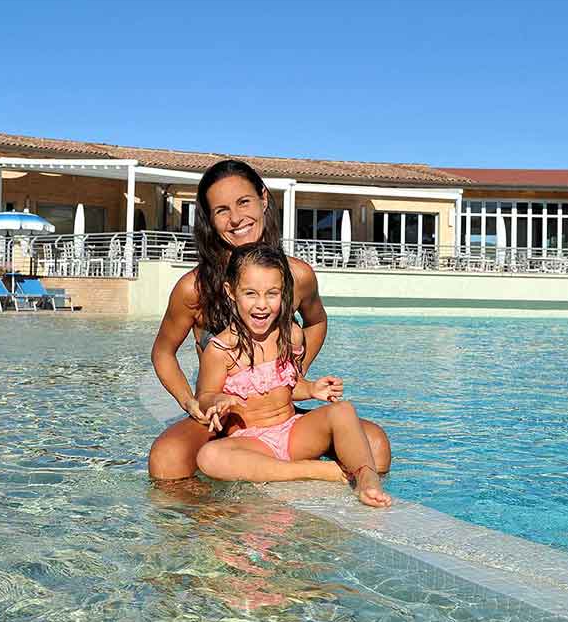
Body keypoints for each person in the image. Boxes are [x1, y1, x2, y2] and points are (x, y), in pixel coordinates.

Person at [149, 159, 391, 480]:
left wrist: (293, 378)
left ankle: (357, 495)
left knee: (376, 445)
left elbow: (316, 322)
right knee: (166, 459)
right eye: (222, 210)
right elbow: (163, 352)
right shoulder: (195, 288)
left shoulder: (297, 275)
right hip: (221, 416)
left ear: (263, 199)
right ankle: (214, 511)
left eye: (243, 202)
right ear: (209, 219)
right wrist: (190, 401)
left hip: (279, 415)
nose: (236, 218)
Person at [194, 244, 390, 507]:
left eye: (272, 294)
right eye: (250, 294)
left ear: (283, 292)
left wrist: (311, 389)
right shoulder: (220, 350)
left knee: (343, 410)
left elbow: (288, 384)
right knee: (209, 456)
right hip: (252, 442)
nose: (262, 305)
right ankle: (316, 471)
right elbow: (204, 396)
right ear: (231, 292)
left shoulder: (290, 335)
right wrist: (216, 400)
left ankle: (367, 477)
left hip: (293, 433)